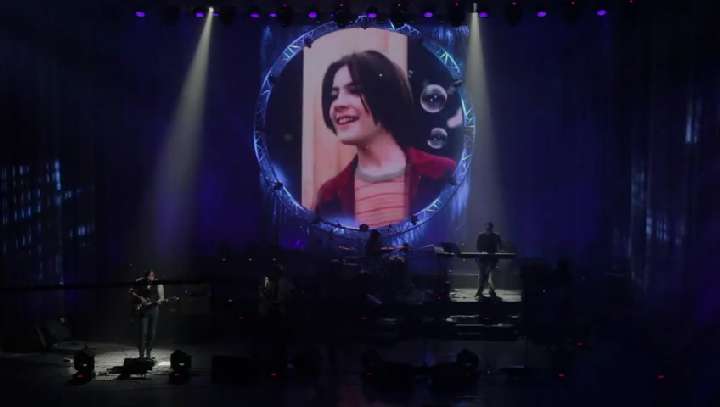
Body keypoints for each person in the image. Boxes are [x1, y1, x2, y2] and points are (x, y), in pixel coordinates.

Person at [314, 50, 456, 228]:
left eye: (355, 91)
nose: (338, 104)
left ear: (387, 97)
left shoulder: (442, 173)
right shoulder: (329, 195)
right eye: (334, 95)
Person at [129, 269, 165, 360]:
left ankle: (148, 353)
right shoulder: (140, 281)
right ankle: (141, 354)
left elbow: (162, 298)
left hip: (154, 309)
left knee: (152, 333)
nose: (150, 279)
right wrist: (139, 298)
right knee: (143, 333)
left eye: (152, 276)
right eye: (148, 277)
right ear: (145, 277)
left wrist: (156, 301)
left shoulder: (158, 283)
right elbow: (131, 291)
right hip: (143, 310)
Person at [475, 222, 502, 299]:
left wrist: (498, 252)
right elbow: (478, 247)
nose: (488, 229)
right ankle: (481, 289)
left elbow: (500, 246)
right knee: (482, 274)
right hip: (483, 258)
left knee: (491, 275)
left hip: (492, 258)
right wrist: (481, 252)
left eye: (489, 227)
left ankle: (490, 290)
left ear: (491, 228)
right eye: (487, 227)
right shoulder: (481, 235)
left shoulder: (496, 236)